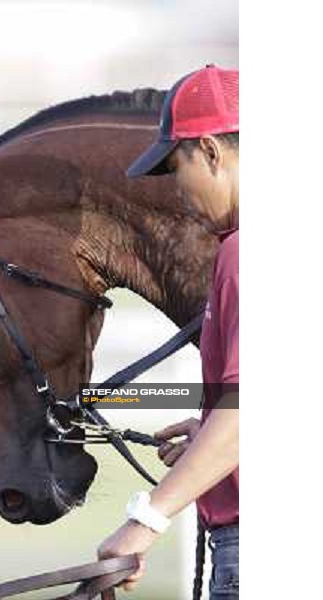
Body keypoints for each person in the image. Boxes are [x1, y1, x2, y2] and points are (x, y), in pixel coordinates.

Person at [97, 64, 239, 600]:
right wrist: (211, 430)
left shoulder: (243, 252)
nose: (178, 191)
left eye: (175, 166)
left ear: (209, 151)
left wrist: (145, 520)